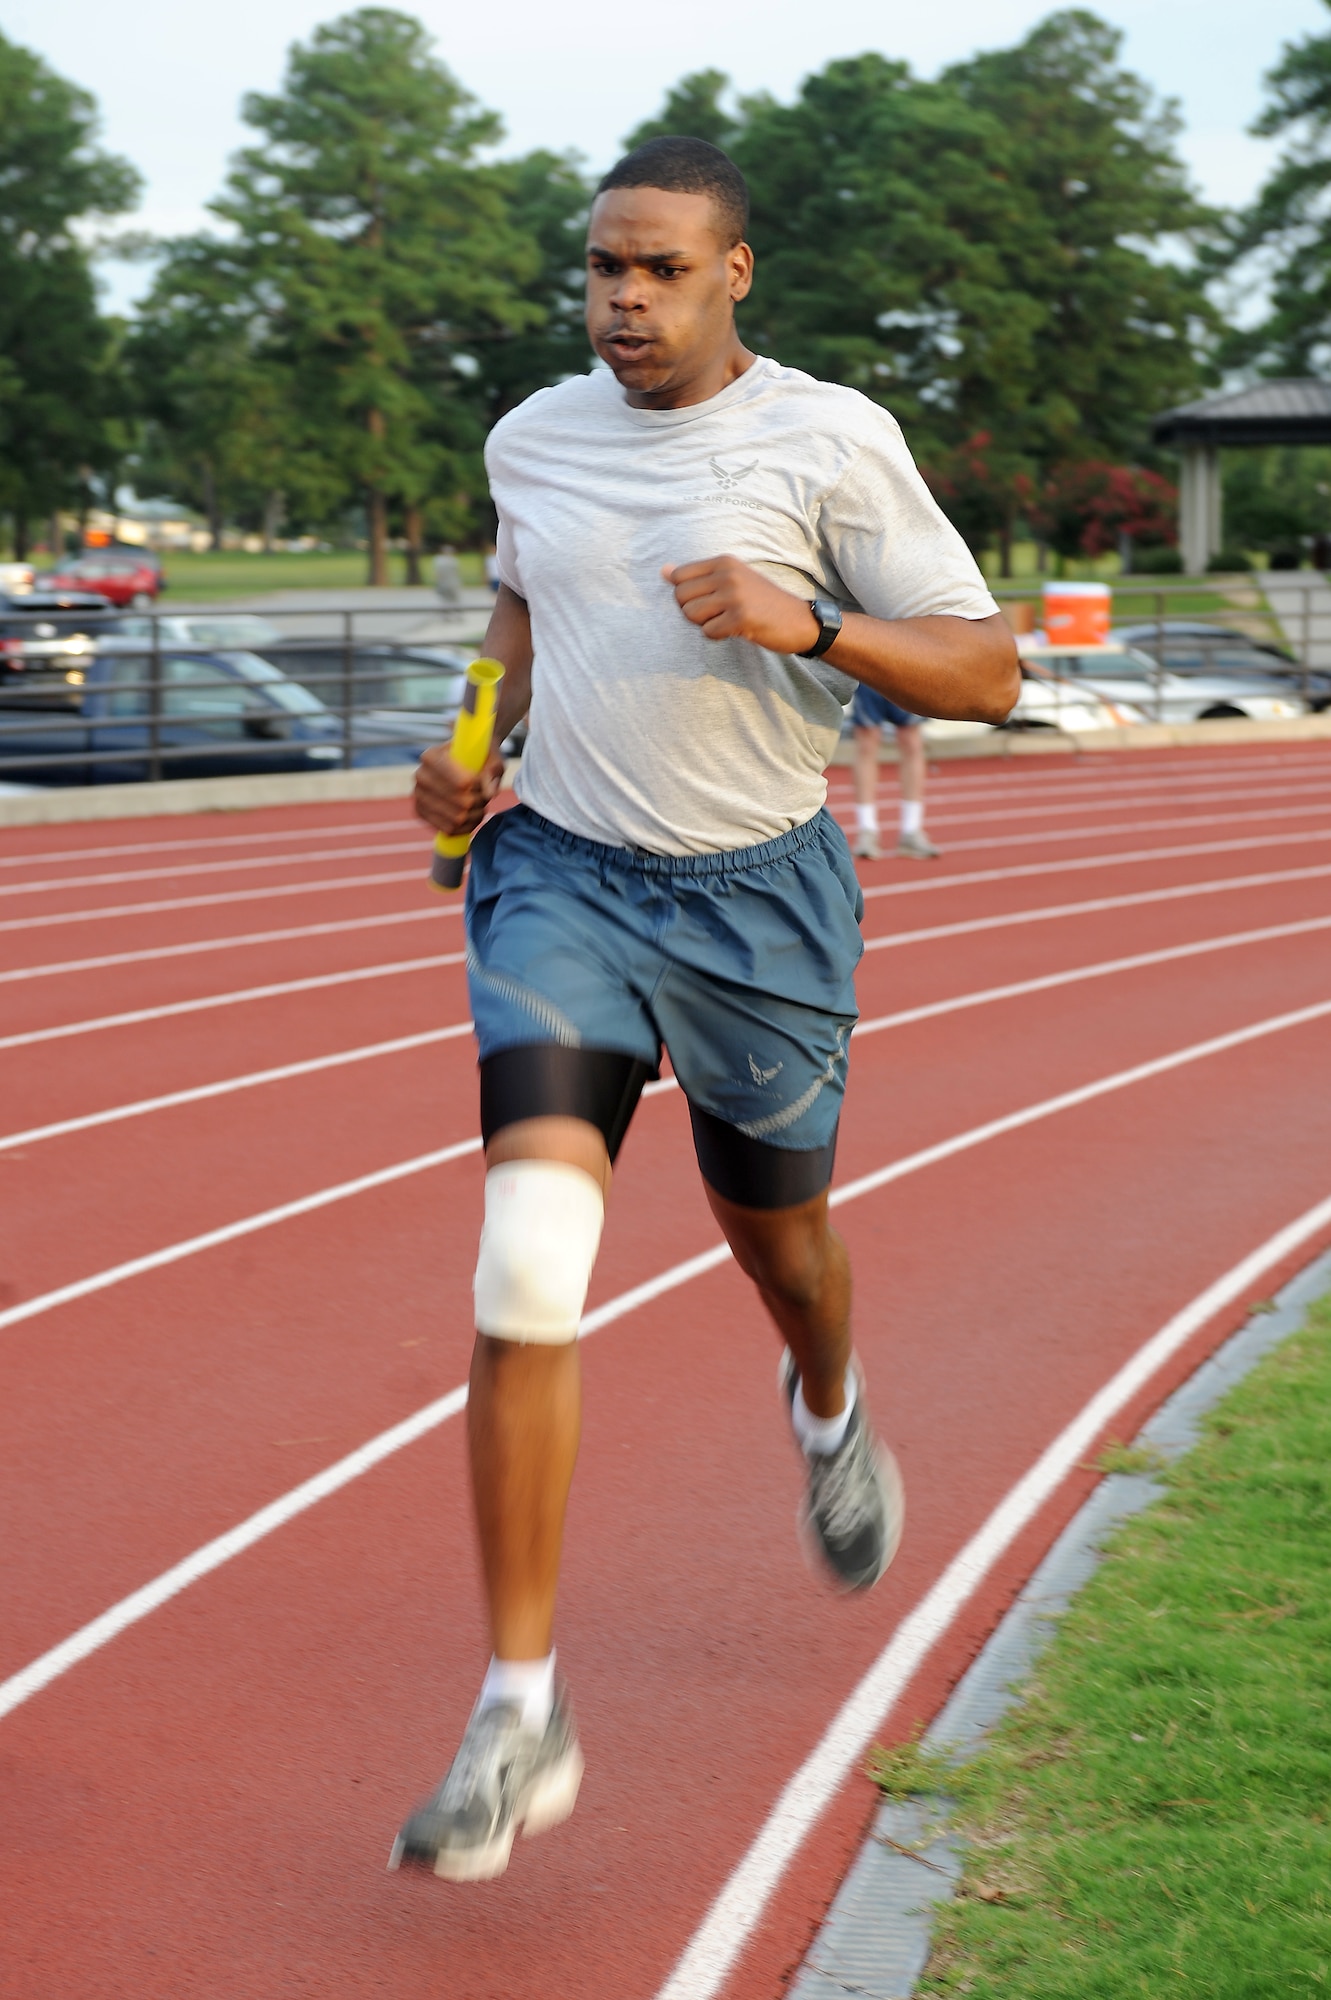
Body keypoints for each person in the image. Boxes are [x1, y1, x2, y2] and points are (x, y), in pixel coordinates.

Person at [395, 136, 1019, 1884]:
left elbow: (987, 667)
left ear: (734, 274)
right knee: (525, 1255)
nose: (621, 299)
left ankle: (825, 1402)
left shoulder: (829, 441)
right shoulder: (535, 435)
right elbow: (518, 616)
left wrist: (810, 621)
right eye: (602, 266)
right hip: (566, 879)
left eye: (659, 269)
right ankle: (521, 1710)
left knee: (783, 1241)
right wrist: (464, 753)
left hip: (760, 901)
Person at [850, 690, 939, 860]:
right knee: (867, 743)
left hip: (907, 671)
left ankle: (911, 830)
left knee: (912, 741)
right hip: (870, 674)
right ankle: (867, 830)